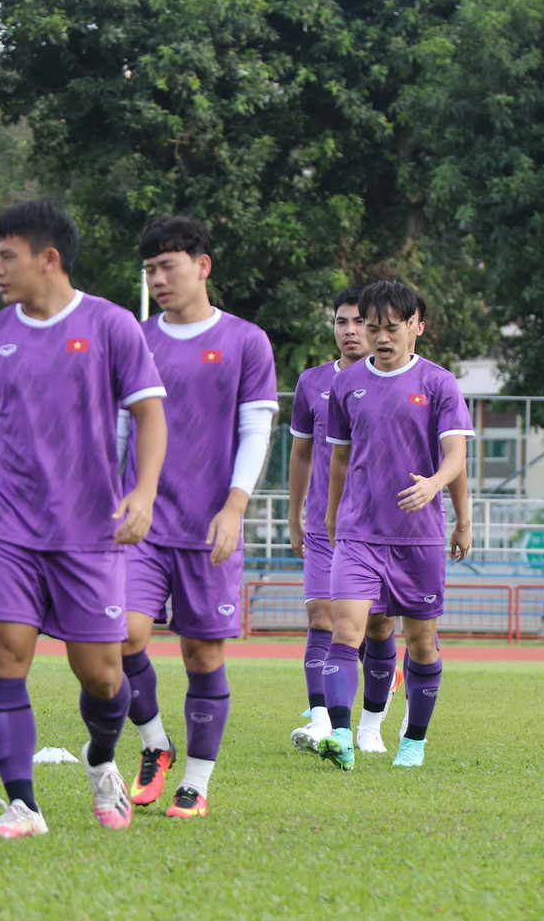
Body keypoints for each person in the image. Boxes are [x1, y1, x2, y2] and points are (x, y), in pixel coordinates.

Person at [0, 200, 167, 836]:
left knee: (103, 676)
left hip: (90, 535)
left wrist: (146, 492)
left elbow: (151, 414)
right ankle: (23, 804)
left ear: (48, 258)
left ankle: (102, 760)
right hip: (10, 530)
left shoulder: (111, 325)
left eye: (6, 255)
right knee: (3, 652)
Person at [119, 216, 278, 817]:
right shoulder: (134, 338)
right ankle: (155, 744)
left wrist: (235, 507)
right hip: (142, 522)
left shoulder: (245, 341)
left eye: (169, 266)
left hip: (210, 525)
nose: (158, 279)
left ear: (203, 266)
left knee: (202, 657)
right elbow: (115, 426)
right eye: (150, 270)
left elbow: (256, 428)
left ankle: (197, 782)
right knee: (121, 636)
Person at [318, 280, 473, 771]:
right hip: (359, 533)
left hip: (418, 537)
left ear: (414, 327)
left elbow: (457, 456)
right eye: (371, 326)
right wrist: (330, 515)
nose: (380, 337)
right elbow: (339, 459)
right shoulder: (344, 384)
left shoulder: (438, 384)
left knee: (421, 643)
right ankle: (341, 735)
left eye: (391, 327)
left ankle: (414, 741)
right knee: (347, 631)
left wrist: (441, 495)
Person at [287, 288, 400, 755]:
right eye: (341, 322)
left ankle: (370, 727)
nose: (350, 331)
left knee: (378, 629)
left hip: (380, 529)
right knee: (321, 617)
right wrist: (294, 516)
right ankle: (323, 723)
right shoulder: (312, 382)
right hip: (324, 525)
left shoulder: (399, 380)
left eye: (359, 322)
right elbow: (300, 453)